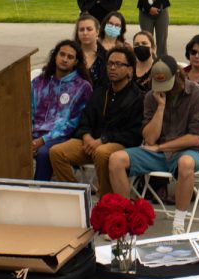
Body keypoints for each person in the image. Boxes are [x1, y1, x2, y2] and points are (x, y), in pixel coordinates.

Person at [108, 56, 199, 234]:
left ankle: (179, 222)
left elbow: (195, 138)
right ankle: (125, 217)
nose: (164, 89)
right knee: (116, 159)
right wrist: (161, 107)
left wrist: (160, 148)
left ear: (178, 75)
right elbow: (150, 139)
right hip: (156, 152)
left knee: (186, 163)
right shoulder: (151, 96)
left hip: (189, 151)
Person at [49, 46, 144, 196]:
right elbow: (85, 119)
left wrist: (104, 140)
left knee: (102, 152)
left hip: (120, 146)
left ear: (130, 70)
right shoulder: (100, 92)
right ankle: (77, 197)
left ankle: (105, 202)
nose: (112, 67)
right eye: (110, 63)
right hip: (91, 143)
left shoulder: (138, 98)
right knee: (57, 152)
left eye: (118, 64)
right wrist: (86, 136)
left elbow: (134, 134)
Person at [31, 40, 93, 181]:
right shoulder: (39, 82)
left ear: (76, 62)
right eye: (62, 54)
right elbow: (28, 111)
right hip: (34, 134)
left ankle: (38, 193)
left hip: (62, 137)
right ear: (55, 56)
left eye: (70, 57)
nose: (65, 59)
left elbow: (73, 123)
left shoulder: (82, 87)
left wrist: (43, 139)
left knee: (44, 153)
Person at [74, 13, 106, 90]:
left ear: (97, 32)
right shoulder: (71, 55)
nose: (85, 33)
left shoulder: (106, 56)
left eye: (89, 29)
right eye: (81, 30)